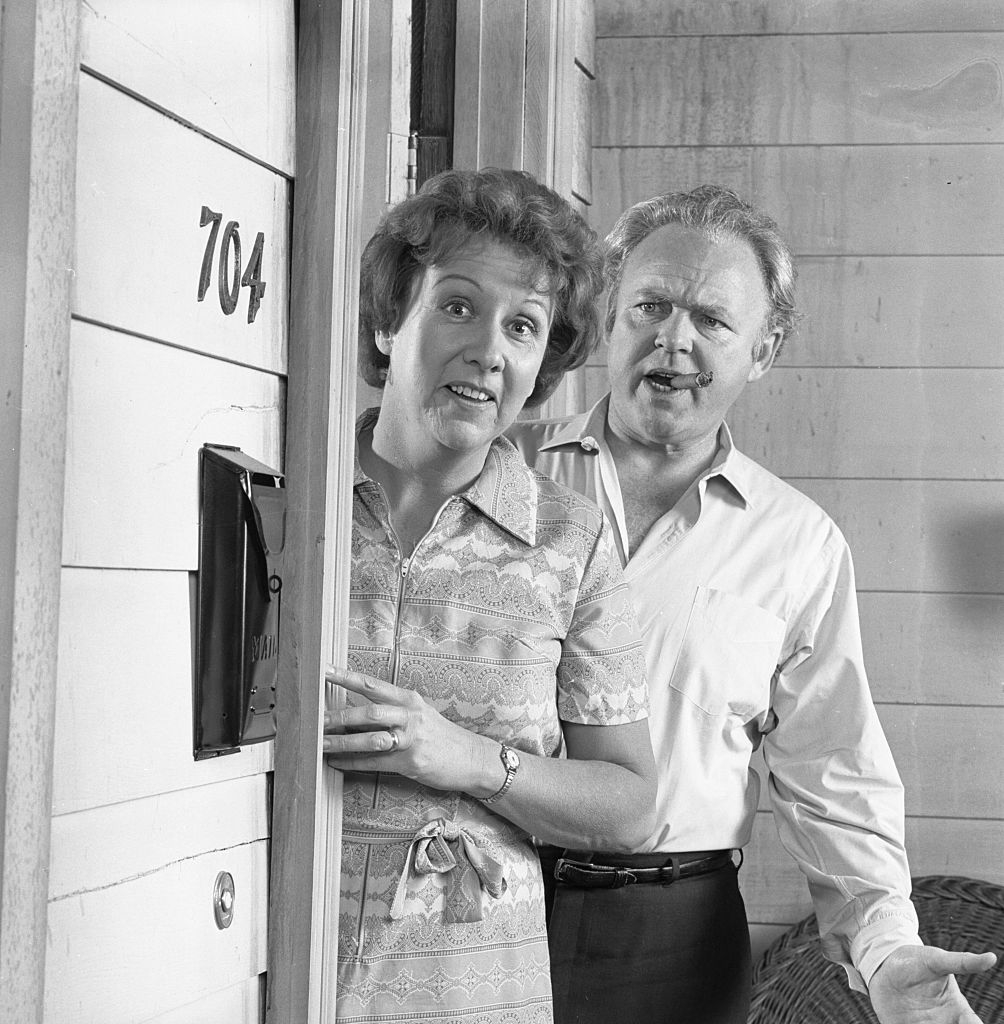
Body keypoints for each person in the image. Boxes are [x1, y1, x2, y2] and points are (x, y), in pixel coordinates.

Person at [509, 184, 998, 1024]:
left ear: (763, 349)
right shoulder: (501, 473)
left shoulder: (798, 545)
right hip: (482, 891)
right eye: (650, 306)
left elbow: (834, 777)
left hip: (674, 937)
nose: (673, 338)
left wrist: (883, 949)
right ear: (607, 319)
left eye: (711, 318)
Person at [321, 167, 657, 1024]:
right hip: (270, 967)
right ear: (391, 319)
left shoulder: (571, 544)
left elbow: (629, 806)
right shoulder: (291, 496)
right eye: (458, 306)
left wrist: (467, 759)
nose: (489, 351)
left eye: (524, 326)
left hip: (474, 995)